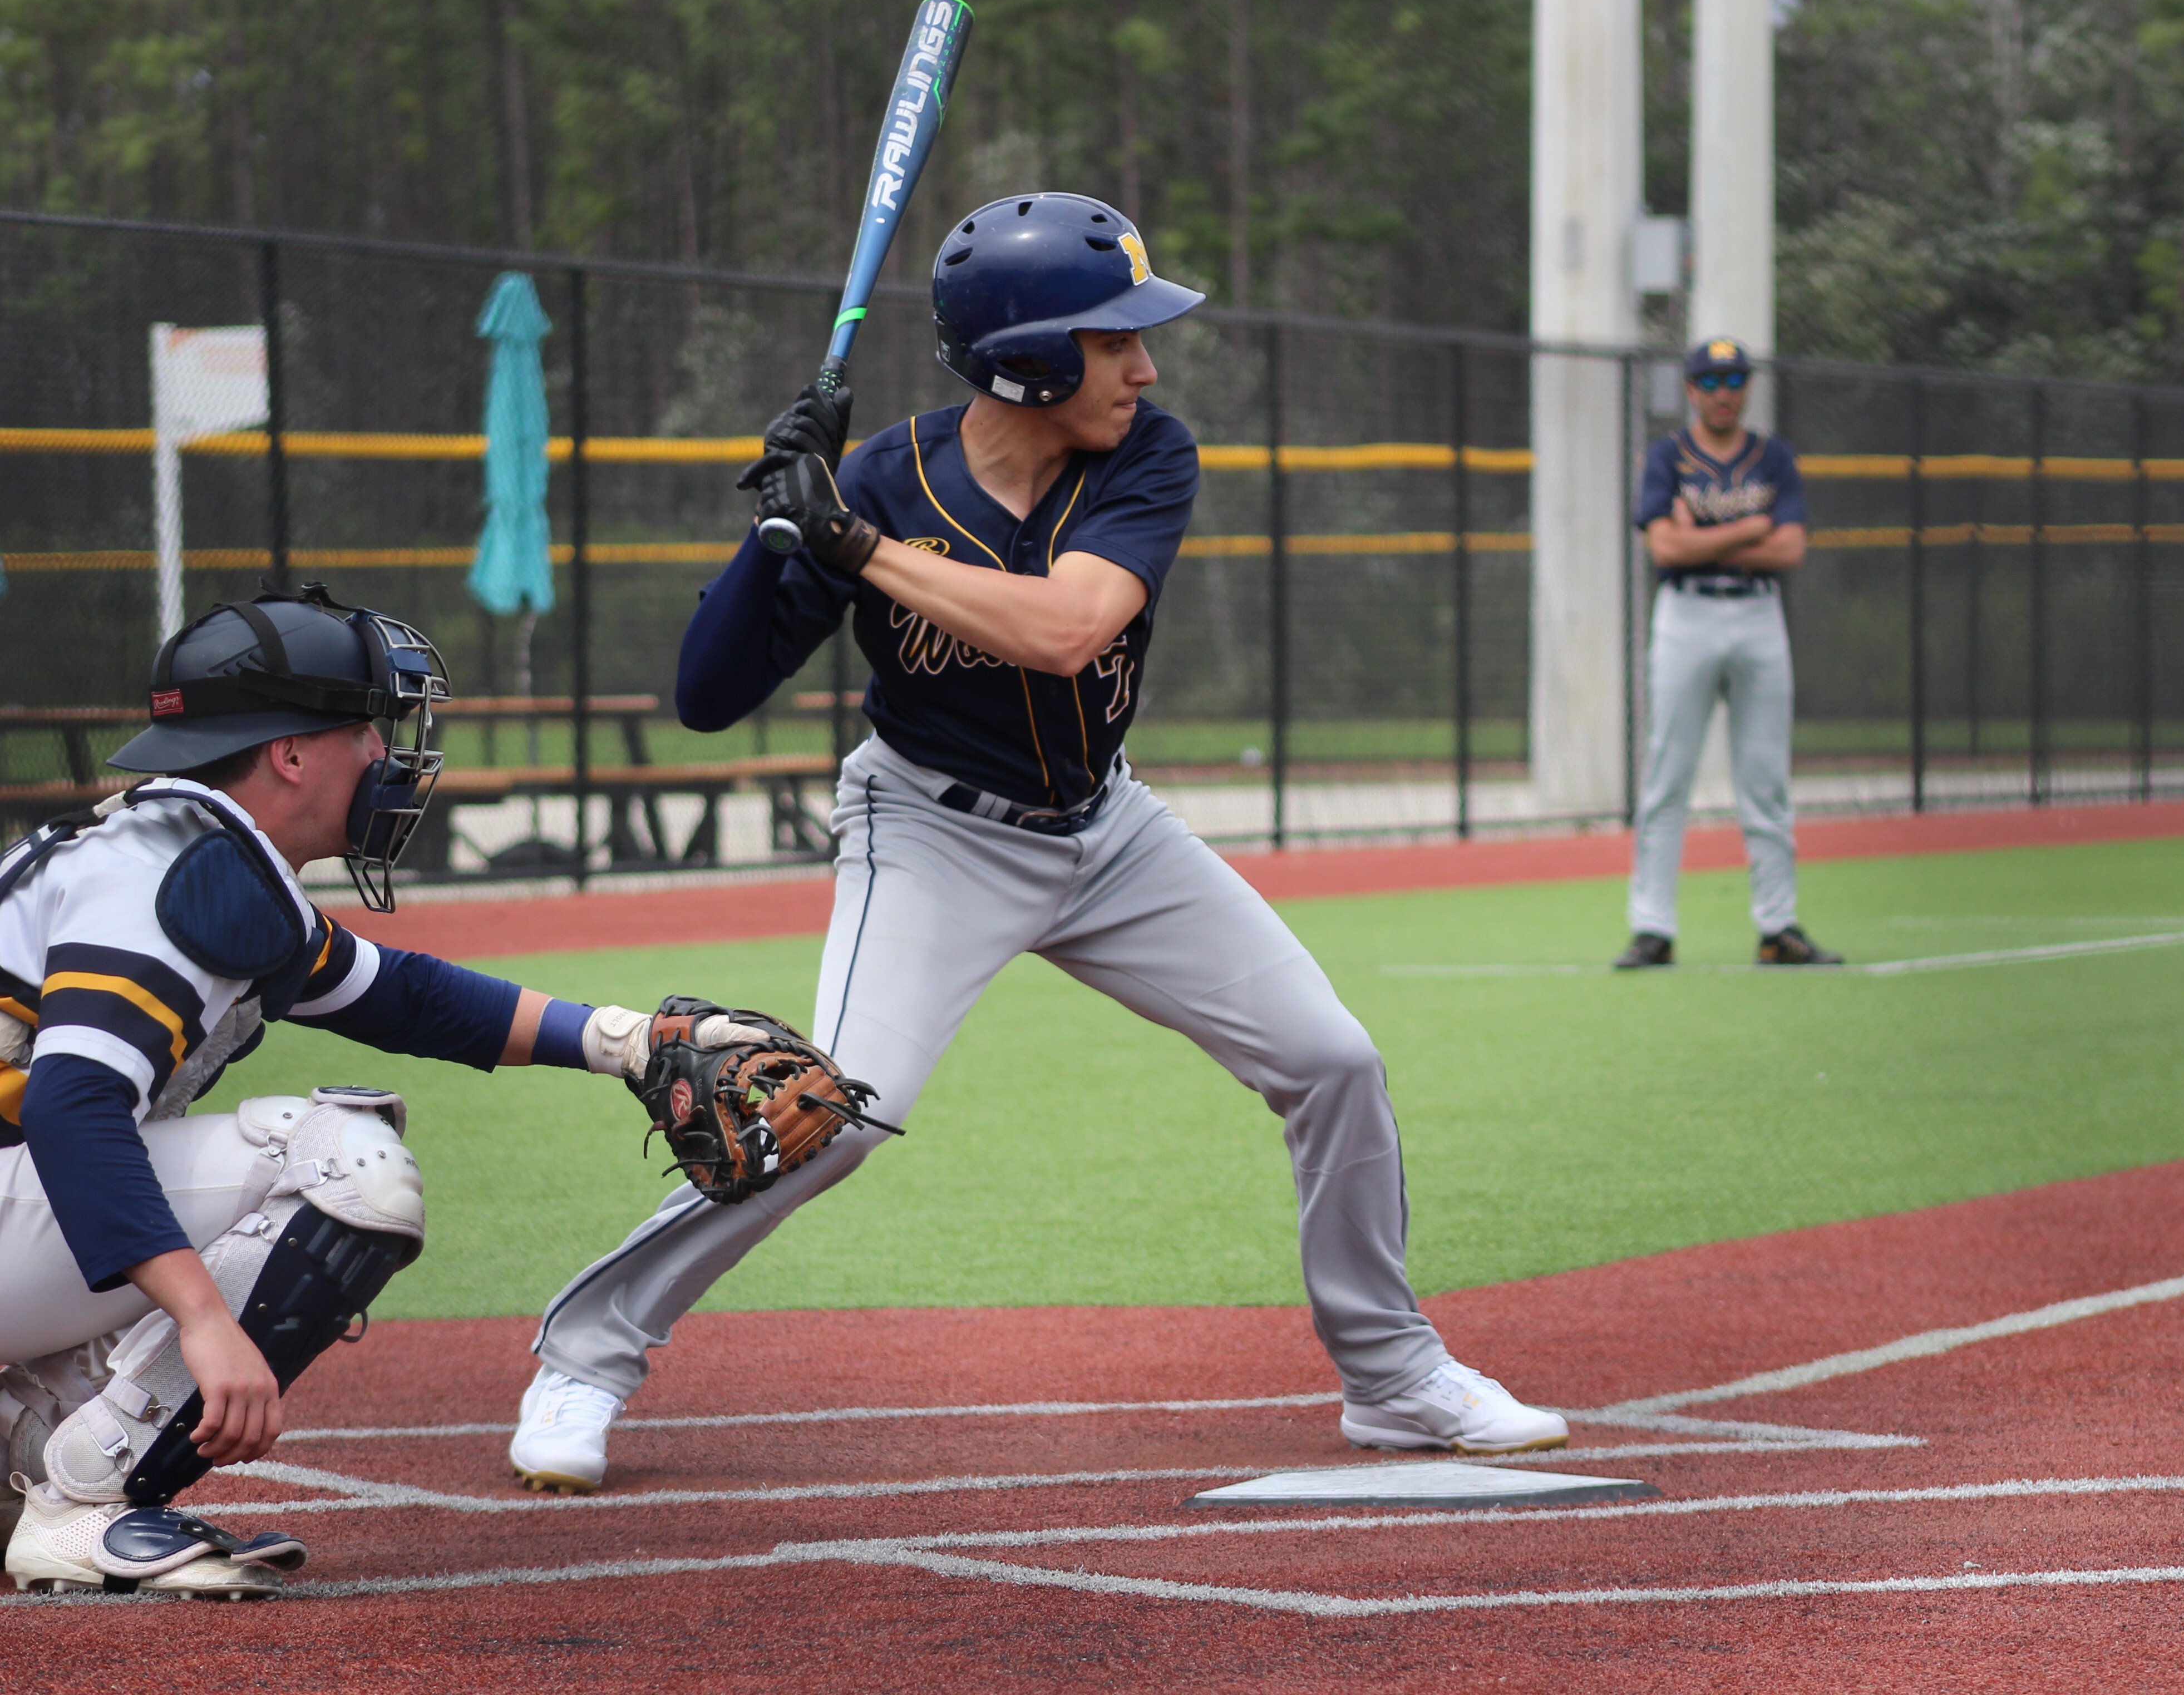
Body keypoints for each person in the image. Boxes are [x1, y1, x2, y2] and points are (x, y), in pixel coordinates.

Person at [508, 193, 1566, 1493]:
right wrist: (782, 525)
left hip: (1108, 826)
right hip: (931, 829)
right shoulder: (882, 479)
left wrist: (855, 542)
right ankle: (588, 1348)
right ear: (1032, 358)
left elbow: (1067, 628)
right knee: (824, 1115)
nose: (1147, 364)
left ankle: (1393, 1374)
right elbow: (707, 692)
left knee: (1331, 1057)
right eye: (1117, 338)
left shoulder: (1142, 456)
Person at [0, 587, 732, 1598]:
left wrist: (628, 1044)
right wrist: (208, 1322)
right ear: (292, 754)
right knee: (346, 1160)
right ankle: (87, 1499)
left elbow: (407, 998)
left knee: (227, 1165)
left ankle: (27, 1443)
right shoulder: (171, 880)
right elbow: (72, 1108)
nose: (387, 757)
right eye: (366, 729)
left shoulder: (194, 859)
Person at [1614, 338, 1841, 970]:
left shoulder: (1772, 458)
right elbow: (1664, 550)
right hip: (1686, 615)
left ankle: (1778, 927)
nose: (1721, 392)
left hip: (1756, 614)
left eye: (1732, 379)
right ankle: (1651, 929)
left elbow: (1790, 550)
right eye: (1709, 381)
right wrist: (1748, 528)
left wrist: (1702, 537)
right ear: (1690, 389)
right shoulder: (1667, 457)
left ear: (1745, 388)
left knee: (1764, 778)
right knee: (1667, 775)